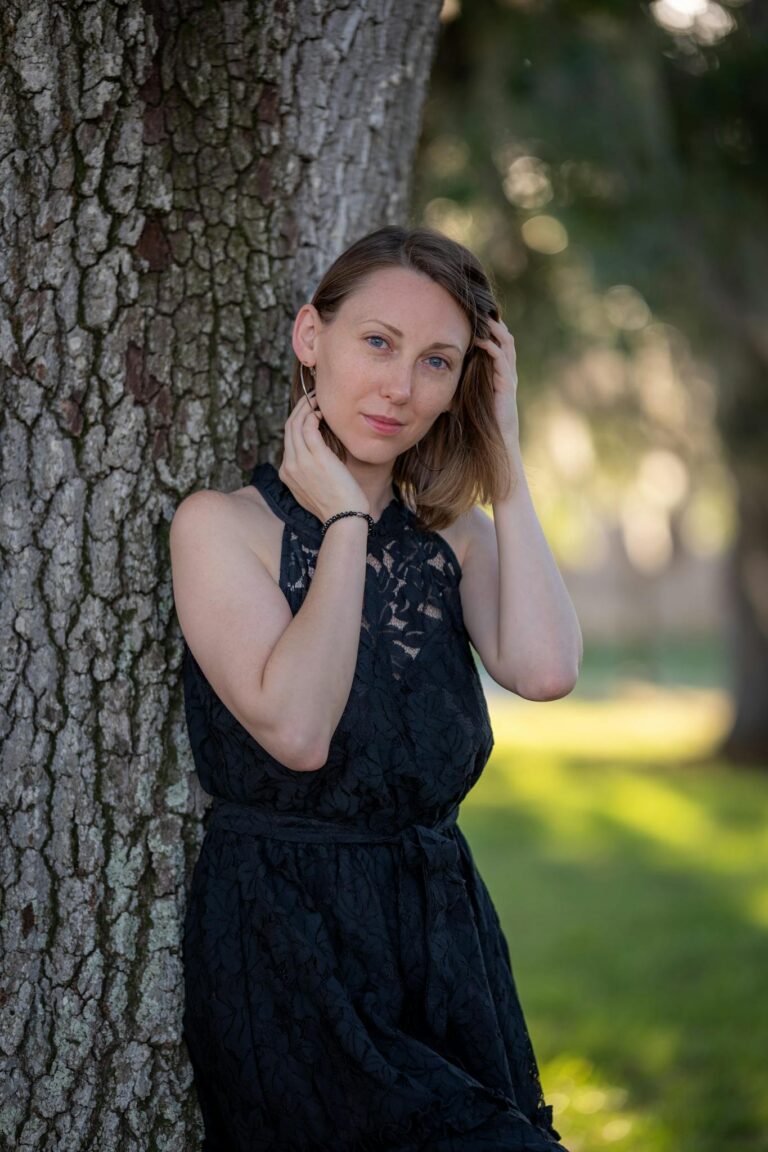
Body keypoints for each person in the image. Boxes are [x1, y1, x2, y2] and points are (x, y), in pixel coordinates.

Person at [170, 224, 582, 1151]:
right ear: (310, 338)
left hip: (446, 940)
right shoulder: (219, 529)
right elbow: (298, 732)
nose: (401, 387)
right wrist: (347, 521)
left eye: (438, 362)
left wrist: (504, 449)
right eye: (378, 343)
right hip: (293, 953)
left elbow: (547, 670)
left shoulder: (458, 538)